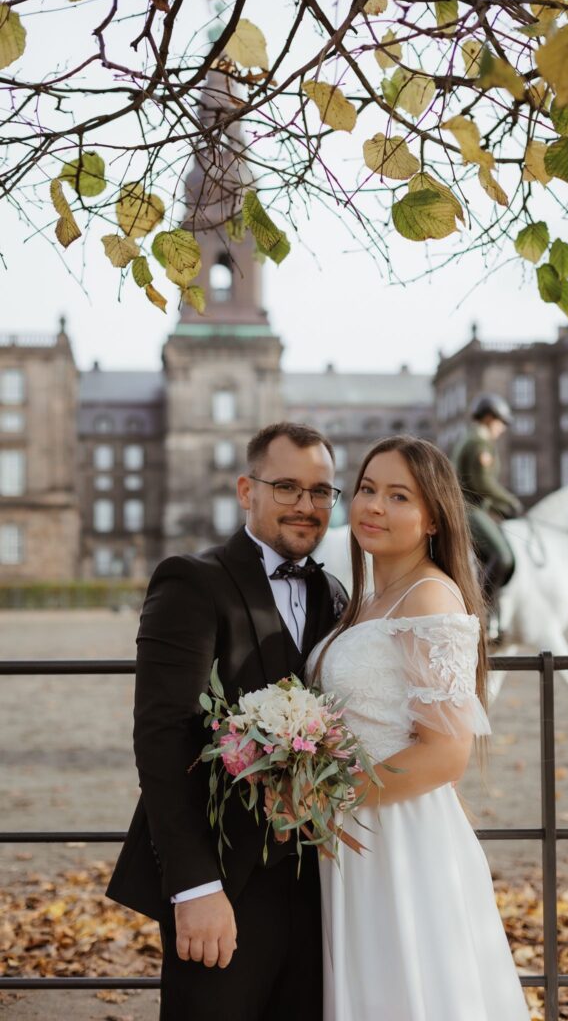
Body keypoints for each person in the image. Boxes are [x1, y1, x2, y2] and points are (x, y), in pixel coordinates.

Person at [107, 422, 347, 1021]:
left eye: (321, 492)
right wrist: (194, 888)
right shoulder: (192, 580)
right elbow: (162, 739)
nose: (305, 505)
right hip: (224, 885)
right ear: (247, 490)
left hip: (322, 892)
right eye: (286, 486)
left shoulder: (335, 595)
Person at [309, 436, 530, 1021]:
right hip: (355, 834)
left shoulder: (429, 595)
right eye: (367, 489)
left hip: (400, 837)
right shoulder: (367, 599)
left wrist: (323, 796)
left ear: (432, 517)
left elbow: (446, 755)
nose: (374, 506)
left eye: (398, 496)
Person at [451, 393, 522, 637]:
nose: (502, 428)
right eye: (501, 422)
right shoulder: (479, 444)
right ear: (490, 418)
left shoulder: (473, 439)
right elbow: (481, 483)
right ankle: (482, 613)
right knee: (502, 556)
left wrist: (498, 506)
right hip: (468, 510)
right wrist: (509, 501)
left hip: (475, 507)